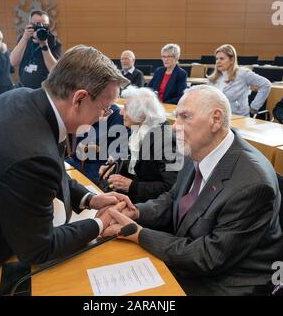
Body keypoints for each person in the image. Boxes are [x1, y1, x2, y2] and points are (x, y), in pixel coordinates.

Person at [99, 85, 283, 296]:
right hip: (193, 256)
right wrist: (137, 212)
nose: (175, 126)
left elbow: (208, 256)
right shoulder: (195, 149)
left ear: (216, 119)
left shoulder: (252, 184)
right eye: (176, 117)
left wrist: (139, 234)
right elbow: (172, 198)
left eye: (185, 117)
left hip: (230, 281)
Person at [0, 44, 133, 275]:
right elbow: (39, 249)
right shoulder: (33, 156)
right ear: (79, 99)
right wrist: (100, 222)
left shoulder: (20, 97)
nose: (103, 117)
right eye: (104, 108)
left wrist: (91, 199)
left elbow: (52, 168)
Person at [99, 86, 178, 203]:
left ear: (142, 116)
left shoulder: (164, 141)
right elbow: (134, 163)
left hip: (147, 206)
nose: (120, 112)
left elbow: (171, 188)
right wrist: (115, 167)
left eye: (125, 108)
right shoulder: (139, 130)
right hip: (131, 197)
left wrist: (131, 185)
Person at [66, 103, 129, 183]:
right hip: (77, 159)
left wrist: (107, 155)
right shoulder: (85, 108)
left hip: (97, 164)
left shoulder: (115, 115)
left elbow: (123, 145)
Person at [208, 44, 271, 116]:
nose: (218, 61)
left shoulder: (243, 74)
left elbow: (266, 84)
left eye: (222, 59)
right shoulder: (213, 78)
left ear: (231, 60)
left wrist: (254, 107)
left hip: (238, 118)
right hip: (217, 117)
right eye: (217, 59)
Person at [10, 10, 62, 89]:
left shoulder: (53, 41)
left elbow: (54, 70)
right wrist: (25, 38)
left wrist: (44, 45)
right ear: (30, 24)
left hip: (44, 90)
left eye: (44, 25)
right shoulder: (24, 39)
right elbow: (12, 62)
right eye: (37, 24)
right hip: (24, 89)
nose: (40, 27)